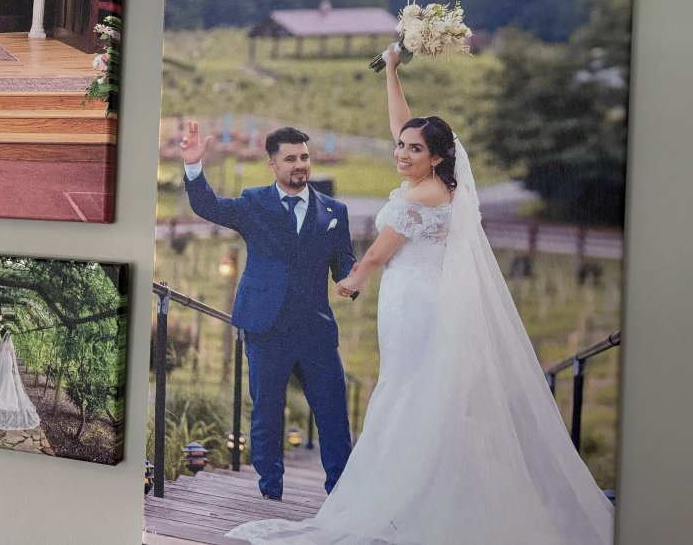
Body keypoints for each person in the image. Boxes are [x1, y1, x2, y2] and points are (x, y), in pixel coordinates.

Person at [227, 44, 614, 544]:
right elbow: (403, 124)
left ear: (436, 157)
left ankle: (405, 495)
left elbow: (377, 256)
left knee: (406, 393)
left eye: (413, 149)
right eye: (401, 146)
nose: (402, 152)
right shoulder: (438, 180)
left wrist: (349, 283)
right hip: (418, 298)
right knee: (416, 390)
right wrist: (391, 71)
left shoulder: (421, 195)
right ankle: (418, 487)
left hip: (415, 305)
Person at [181, 121, 357, 498]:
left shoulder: (334, 211)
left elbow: (344, 260)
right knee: (267, 413)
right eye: (290, 158)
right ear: (272, 165)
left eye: (305, 157)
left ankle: (341, 494)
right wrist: (195, 167)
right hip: (266, 326)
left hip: (315, 330)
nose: (300, 165)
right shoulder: (253, 203)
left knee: (334, 415)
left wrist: (351, 279)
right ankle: (270, 492)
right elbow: (208, 206)